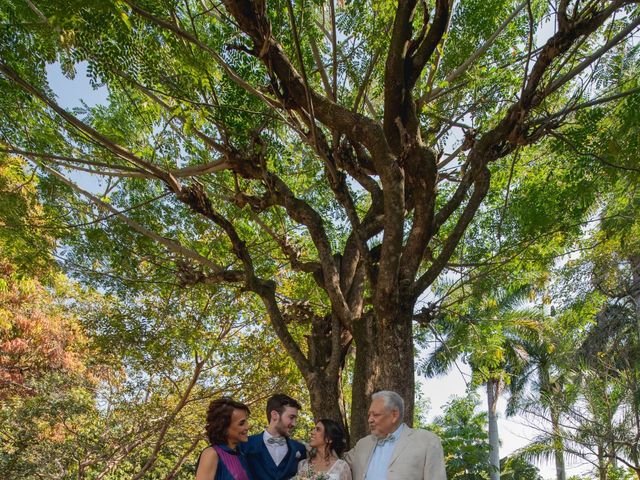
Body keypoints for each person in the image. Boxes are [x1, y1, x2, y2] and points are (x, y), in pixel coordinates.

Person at [344, 391, 446, 480]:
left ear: (394, 415)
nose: (370, 420)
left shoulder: (426, 441)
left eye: (376, 415)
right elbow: (333, 462)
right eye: (369, 415)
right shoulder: (363, 444)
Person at [244, 393, 307, 480]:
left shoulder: (300, 449)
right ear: (274, 415)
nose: (294, 424)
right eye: (291, 417)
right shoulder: (246, 444)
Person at [196, 397, 253, 480]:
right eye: (241, 424)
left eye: (246, 422)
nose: (247, 427)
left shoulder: (241, 452)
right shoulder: (211, 454)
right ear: (224, 427)